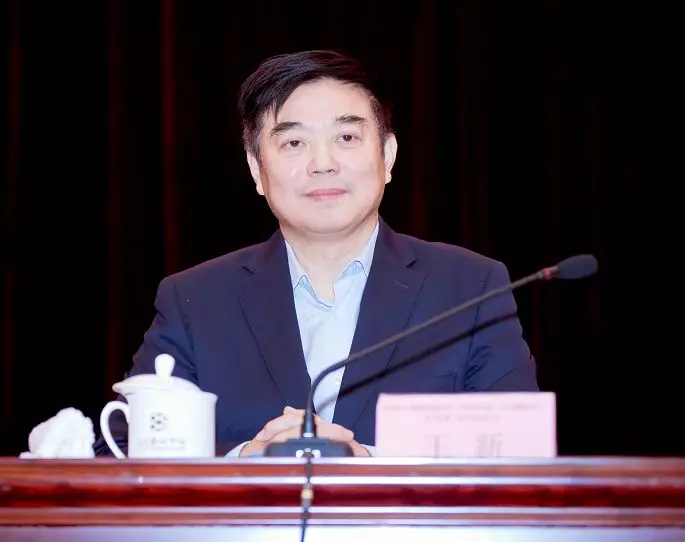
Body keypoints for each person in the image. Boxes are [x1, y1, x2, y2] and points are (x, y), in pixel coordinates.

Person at [93, 49, 538, 458]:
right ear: (256, 169)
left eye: (346, 137)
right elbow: (117, 451)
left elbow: (522, 457)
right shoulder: (196, 300)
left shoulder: (470, 287)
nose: (322, 163)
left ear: (387, 156)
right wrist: (246, 460)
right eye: (294, 143)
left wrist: (367, 464)